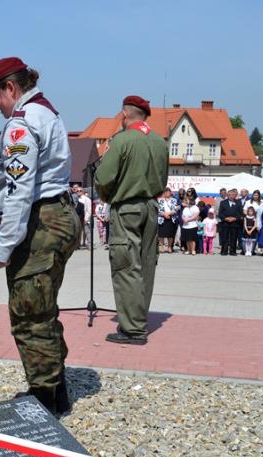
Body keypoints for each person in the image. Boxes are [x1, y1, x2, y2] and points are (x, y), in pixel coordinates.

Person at [0, 56, 81, 415]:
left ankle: (44, 401)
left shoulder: (22, 123)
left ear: (10, 87)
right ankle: (56, 388)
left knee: (29, 312)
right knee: (43, 308)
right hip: (59, 215)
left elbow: (19, 191)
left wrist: (4, 246)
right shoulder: (47, 113)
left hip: (43, 221)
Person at [94, 95, 168, 345]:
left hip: (127, 207)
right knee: (146, 265)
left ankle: (133, 328)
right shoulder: (159, 142)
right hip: (152, 207)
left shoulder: (122, 140)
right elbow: (163, 180)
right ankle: (139, 318)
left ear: (125, 114)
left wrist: (106, 196)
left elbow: (104, 178)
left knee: (126, 266)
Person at [218, 188, 242, 256]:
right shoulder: (223, 202)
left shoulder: (238, 202)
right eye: (229, 195)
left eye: (232, 195)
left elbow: (240, 213)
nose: (231, 196)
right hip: (225, 222)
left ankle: (232, 251)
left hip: (235, 223)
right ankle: (224, 251)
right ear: (227, 195)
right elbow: (220, 213)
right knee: (224, 237)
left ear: (235, 195)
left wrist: (235, 218)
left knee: (234, 238)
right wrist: (225, 218)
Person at [157, 188, 179, 253]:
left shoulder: (174, 200)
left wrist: (169, 213)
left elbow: (176, 209)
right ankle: (162, 247)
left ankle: (169, 246)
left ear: (170, 193)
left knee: (170, 234)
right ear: (164, 193)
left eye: (168, 192)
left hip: (171, 218)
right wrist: (164, 214)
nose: (167, 193)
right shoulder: (160, 200)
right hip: (162, 218)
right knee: (161, 234)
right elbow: (157, 209)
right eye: (165, 192)